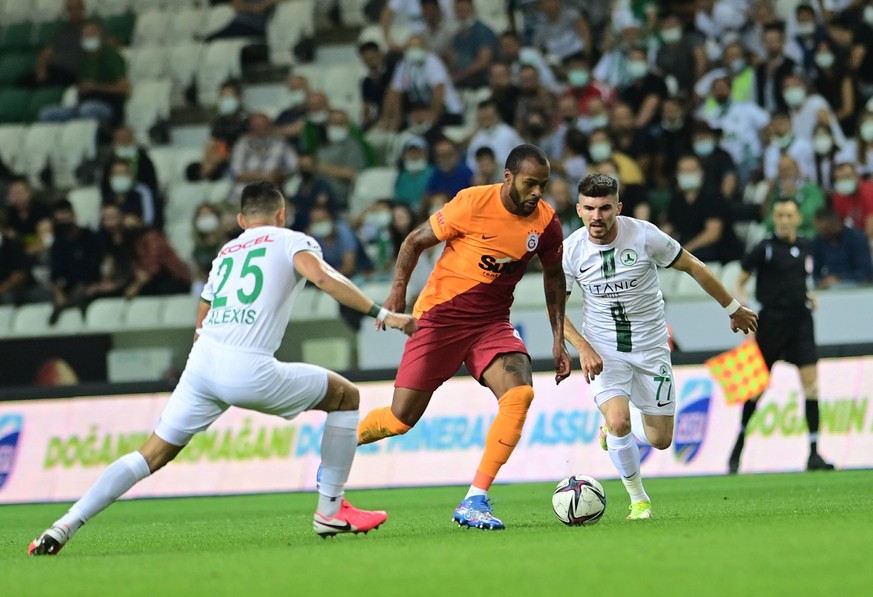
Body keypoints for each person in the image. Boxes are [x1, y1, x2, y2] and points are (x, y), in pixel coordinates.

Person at [28, 181, 418, 556]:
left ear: (242, 219)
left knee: (151, 453)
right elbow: (320, 276)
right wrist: (383, 313)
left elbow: (204, 306)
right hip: (247, 368)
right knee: (346, 396)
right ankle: (330, 511)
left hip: (202, 365)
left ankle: (64, 524)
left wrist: (203, 337)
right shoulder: (293, 240)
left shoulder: (227, 252)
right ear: (281, 214)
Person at [356, 144, 572, 530]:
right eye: (530, 184)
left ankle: (475, 499)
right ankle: (340, 440)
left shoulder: (546, 223)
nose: (538, 192)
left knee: (519, 392)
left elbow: (555, 277)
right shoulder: (471, 203)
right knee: (399, 419)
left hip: (490, 323)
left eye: (543, 184)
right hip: (439, 321)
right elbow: (413, 241)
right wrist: (396, 295)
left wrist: (558, 338)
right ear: (508, 178)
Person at [562, 173, 758, 520]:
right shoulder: (571, 250)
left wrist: (732, 307)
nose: (597, 216)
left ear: (618, 208)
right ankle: (639, 501)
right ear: (578, 209)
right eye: (589, 208)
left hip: (651, 347)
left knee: (660, 438)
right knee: (620, 420)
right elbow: (555, 310)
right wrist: (582, 346)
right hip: (603, 349)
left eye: (605, 208)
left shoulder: (644, 235)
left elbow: (694, 266)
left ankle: (612, 428)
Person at [728, 197, 836, 474]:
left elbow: (797, 279)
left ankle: (814, 453)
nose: (785, 220)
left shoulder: (805, 246)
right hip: (771, 323)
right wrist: (743, 311)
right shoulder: (764, 249)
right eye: (780, 215)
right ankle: (738, 447)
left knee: (811, 386)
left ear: (799, 218)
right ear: (774, 219)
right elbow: (739, 281)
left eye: (789, 215)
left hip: (800, 320)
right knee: (756, 390)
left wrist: (807, 295)